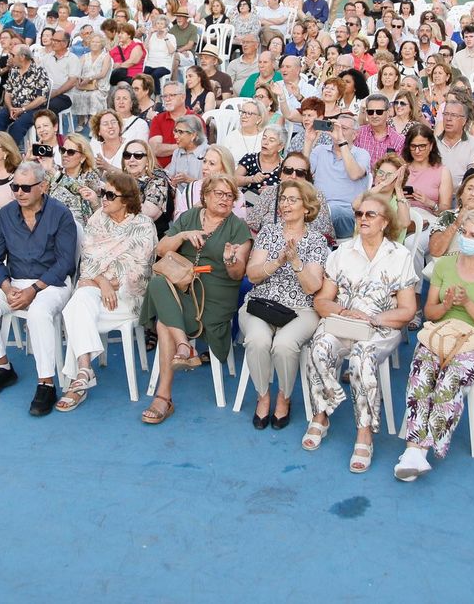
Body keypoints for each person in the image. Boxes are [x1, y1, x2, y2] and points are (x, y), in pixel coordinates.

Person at [303, 191, 418, 473]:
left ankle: (364, 432)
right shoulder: (342, 253)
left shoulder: (399, 256)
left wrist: (374, 317)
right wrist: (344, 312)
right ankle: (321, 414)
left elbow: (407, 311)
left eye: (370, 214)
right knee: (318, 347)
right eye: (359, 214)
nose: (363, 219)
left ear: (384, 222)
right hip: (345, 322)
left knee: (361, 357)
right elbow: (322, 301)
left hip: (380, 327)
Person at [394, 209, 474, 481]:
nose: (466, 239)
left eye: (473, 235)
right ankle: (415, 448)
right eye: (464, 233)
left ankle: (420, 449)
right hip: (442, 332)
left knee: (450, 378)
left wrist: (467, 302)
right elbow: (430, 313)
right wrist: (447, 304)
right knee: (422, 370)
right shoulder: (444, 265)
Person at [139, 173, 251, 424]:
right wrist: (182, 236)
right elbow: (161, 250)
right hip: (182, 288)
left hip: (215, 297)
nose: (225, 199)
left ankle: (163, 396)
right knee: (158, 281)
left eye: (230, 195)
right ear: (206, 195)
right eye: (219, 194)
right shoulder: (189, 217)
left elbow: (238, 274)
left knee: (163, 323)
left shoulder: (238, 227)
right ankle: (184, 346)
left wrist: (230, 260)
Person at [0, 161, 79, 416]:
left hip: (51, 283)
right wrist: (7, 288)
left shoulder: (61, 214)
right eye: (15, 186)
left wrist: (34, 289)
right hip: (15, 281)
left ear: (43, 186)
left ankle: (46, 383)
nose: (19, 192)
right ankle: (2, 367)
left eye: (25, 188)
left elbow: (65, 262)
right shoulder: (6, 214)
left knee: (39, 313)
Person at [53, 170, 158, 412]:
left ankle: (77, 382)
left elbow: (139, 272)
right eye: (103, 192)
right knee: (78, 303)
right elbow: (88, 263)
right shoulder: (97, 219)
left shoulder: (143, 226)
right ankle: (83, 371)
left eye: (110, 195)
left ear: (127, 200)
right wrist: (102, 282)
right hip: (99, 288)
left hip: (129, 297)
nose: (104, 198)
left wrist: (105, 282)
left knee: (77, 309)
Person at [239, 178, 329, 429]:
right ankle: (263, 396)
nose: (285, 204)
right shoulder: (269, 231)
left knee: (284, 345)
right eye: (284, 199)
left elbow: (312, 287)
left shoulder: (317, 241)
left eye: (292, 199)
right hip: (262, 303)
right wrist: (277, 262)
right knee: (257, 340)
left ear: (307, 207)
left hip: (301, 309)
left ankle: (284, 397)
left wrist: (296, 262)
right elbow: (252, 274)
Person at [310, 112, 371, 237]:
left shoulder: (361, 154)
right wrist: (308, 141)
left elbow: (354, 174)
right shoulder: (320, 150)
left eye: (344, 128)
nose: (338, 131)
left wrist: (342, 142)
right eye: (336, 127)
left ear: (354, 135)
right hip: (319, 207)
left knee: (332, 211)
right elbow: (302, 174)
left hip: (347, 212)